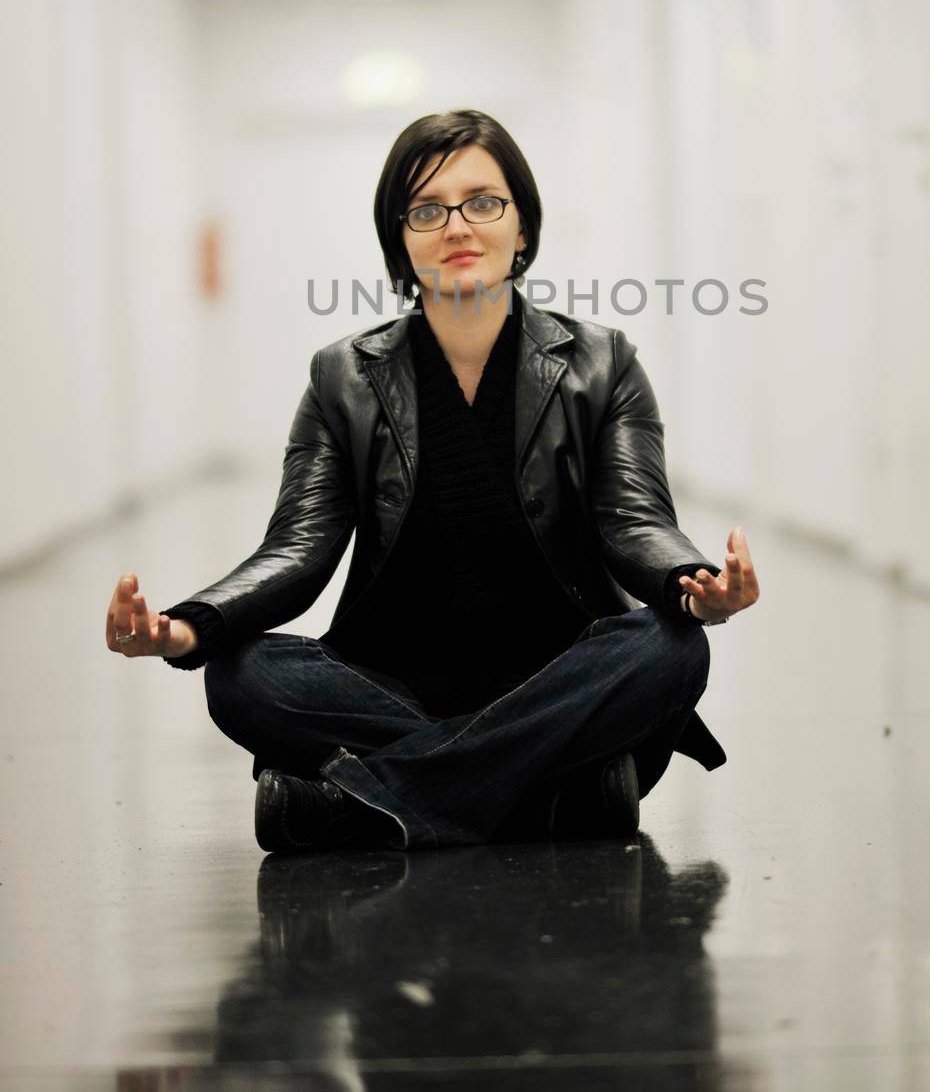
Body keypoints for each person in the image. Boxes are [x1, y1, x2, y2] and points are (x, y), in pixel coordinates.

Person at [104, 109, 760, 853]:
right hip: (393, 685)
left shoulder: (601, 363)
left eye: (483, 202)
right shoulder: (342, 375)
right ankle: (546, 797)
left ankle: (366, 805)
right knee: (241, 671)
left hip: (557, 679)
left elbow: (631, 518)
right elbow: (298, 547)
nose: (456, 227)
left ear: (522, 226)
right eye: (426, 209)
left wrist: (690, 581)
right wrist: (191, 625)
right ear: (400, 239)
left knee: (672, 647)